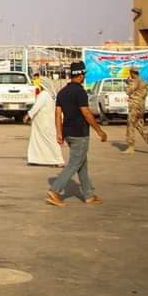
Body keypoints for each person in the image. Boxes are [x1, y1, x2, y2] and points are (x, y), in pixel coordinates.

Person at [47, 61, 107, 206]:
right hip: (80, 133)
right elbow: (85, 112)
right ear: (80, 75)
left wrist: (59, 133)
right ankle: (55, 191)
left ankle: (89, 195)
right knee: (75, 163)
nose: (84, 77)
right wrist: (99, 130)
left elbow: (57, 114)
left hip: (68, 133)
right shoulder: (80, 92)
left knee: (82, 164)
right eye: (84, 75)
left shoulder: (62, 92)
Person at [122, 66, 148, 155]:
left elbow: (128, 91)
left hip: (134, 106)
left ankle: (131, 147)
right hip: (141, 106)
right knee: (139, 125)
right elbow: (144, 93)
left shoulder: (134, 82)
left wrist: (128, 83)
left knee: (130, 125)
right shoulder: (143, 82)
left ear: (132, 73)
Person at [24, 86, 64, 166]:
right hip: (48, 121)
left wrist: (28, 115)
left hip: (43, 122)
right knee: (40, 141)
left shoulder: (44, 94)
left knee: (50, 141)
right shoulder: (52, 95)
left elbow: (36, 106)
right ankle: (37, 159)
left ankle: (58, 160)